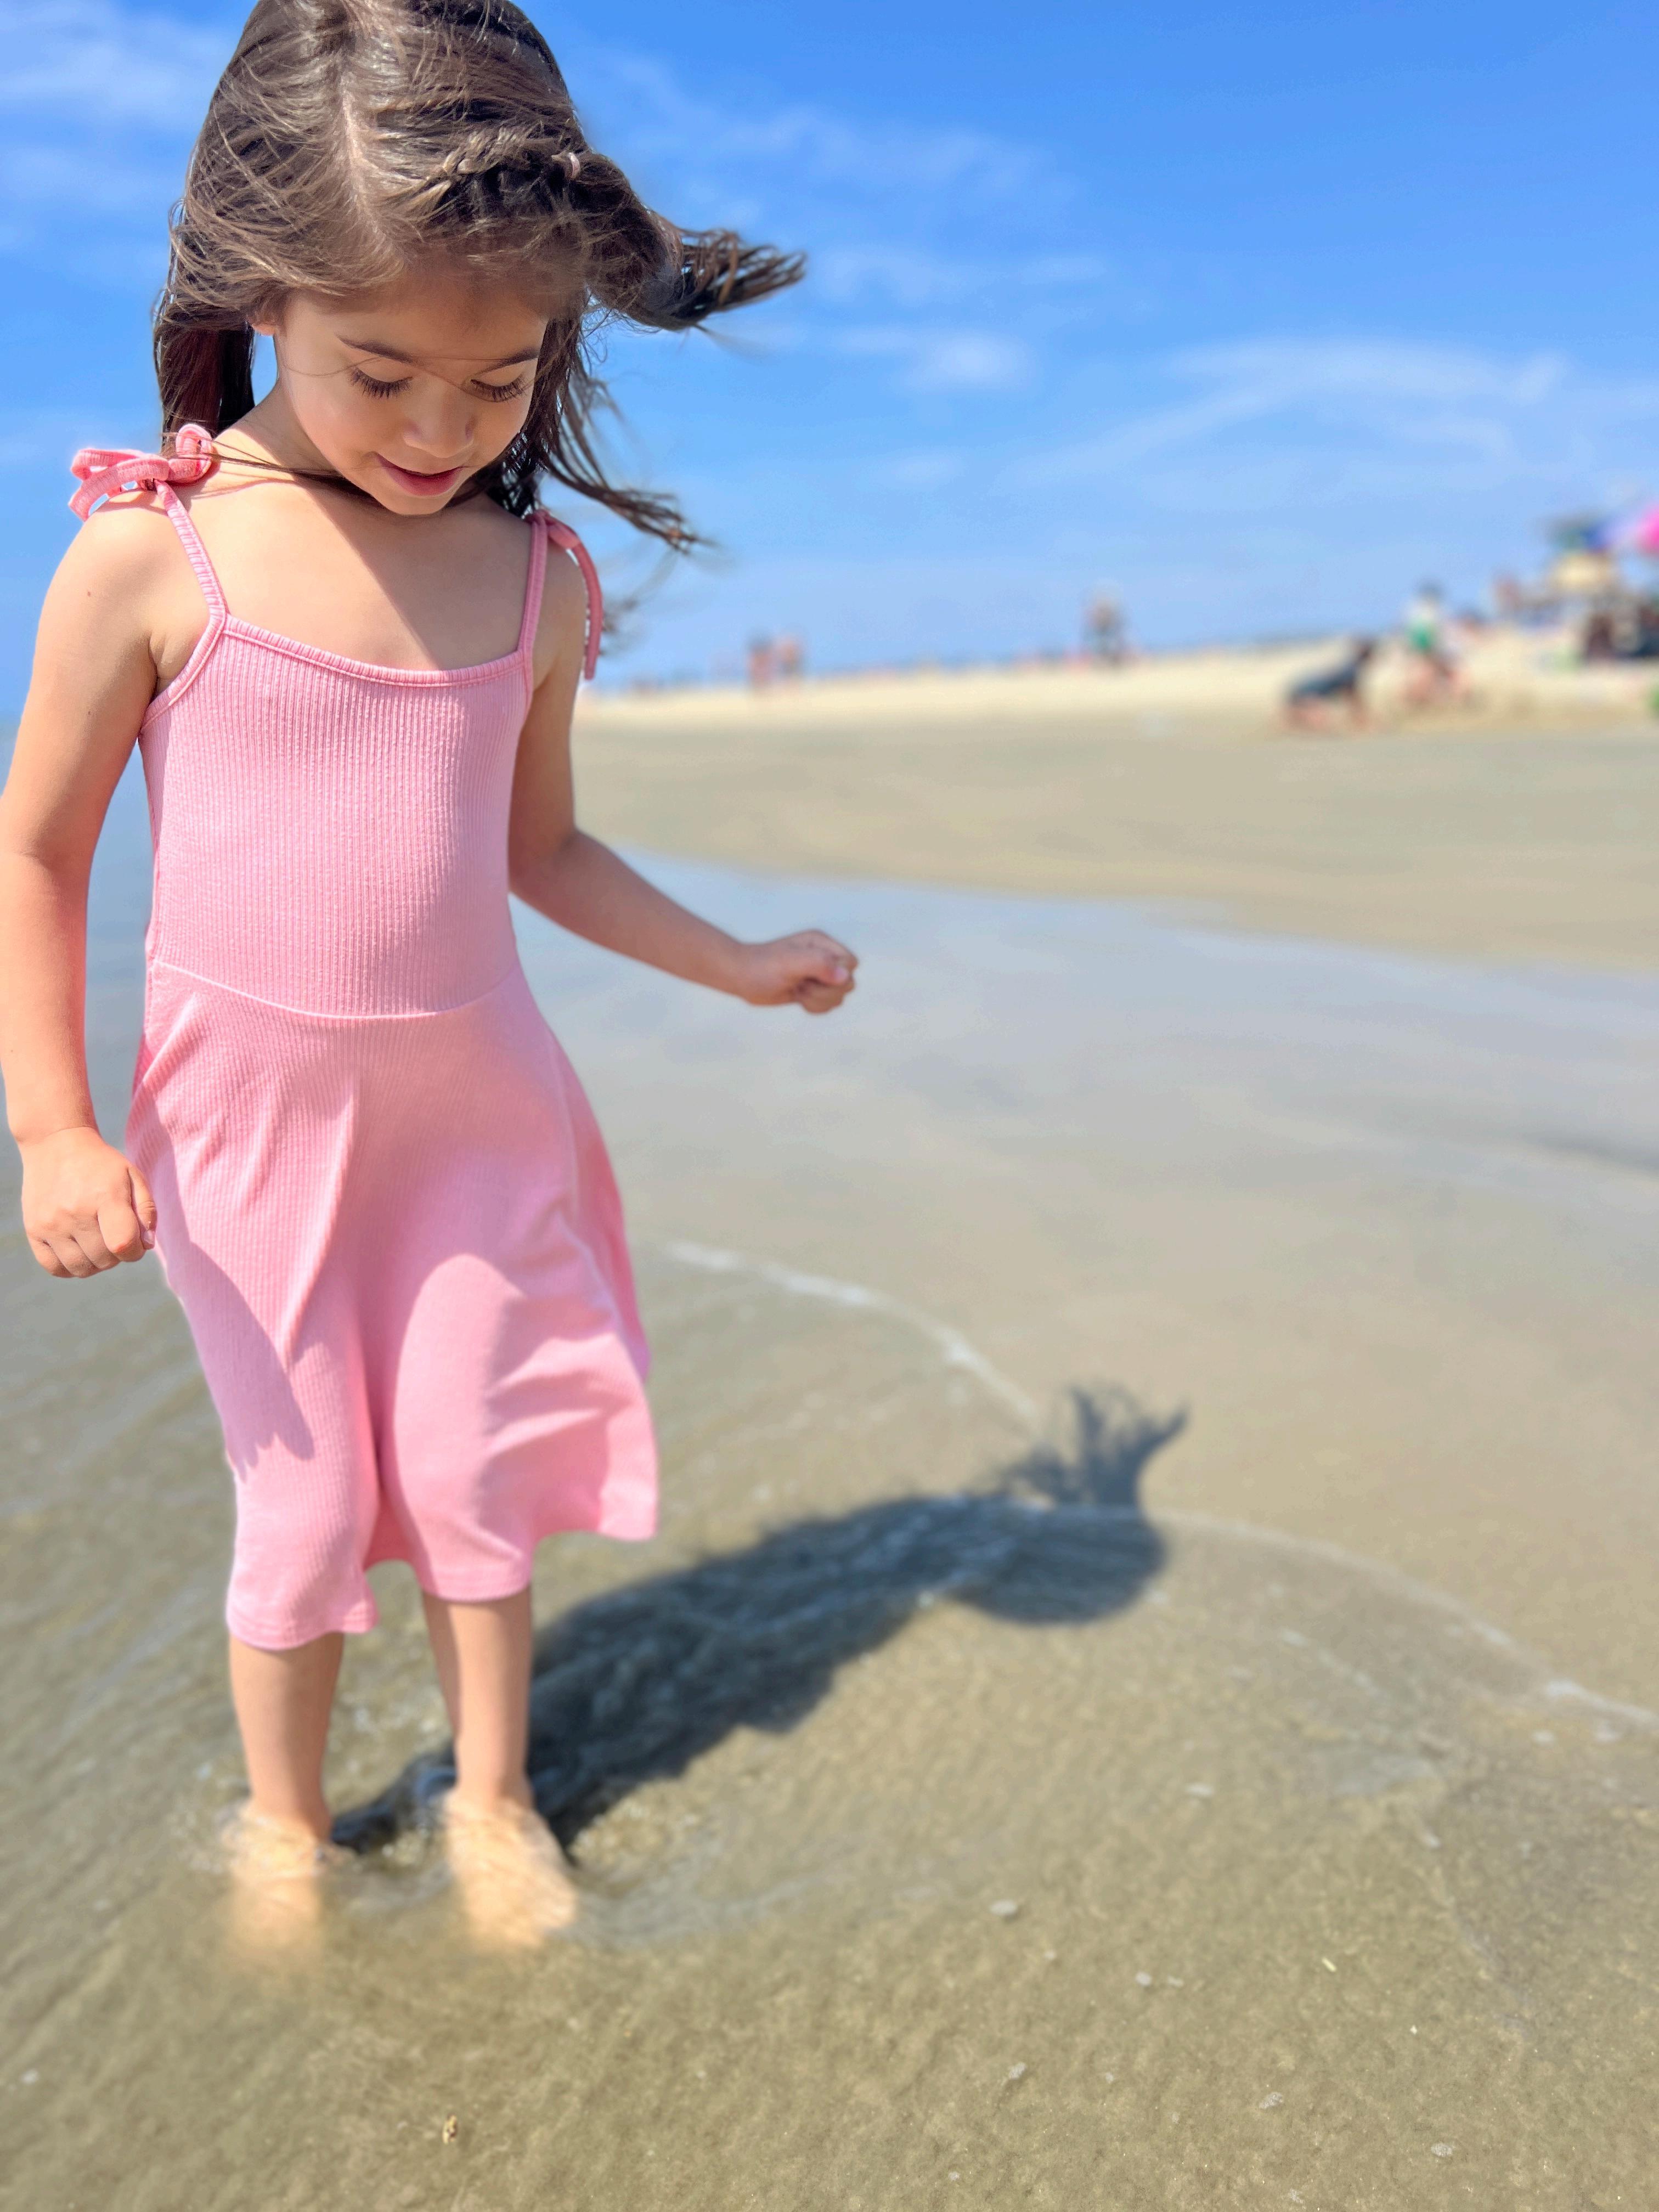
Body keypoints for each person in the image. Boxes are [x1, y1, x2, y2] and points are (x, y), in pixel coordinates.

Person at [0, 0, 857, 1950]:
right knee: (303, 1505)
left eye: (496, 382)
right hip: (250, 1135)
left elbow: (539, 850)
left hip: (477, 1116)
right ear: (261, 293)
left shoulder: (533, 580)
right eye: (382, 371)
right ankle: (285, 1830)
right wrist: (52, 1125)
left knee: (476, 1475)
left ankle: (491, 1799)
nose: (438, 430)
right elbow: (36, 850)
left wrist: (732, 964)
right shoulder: (155, 557)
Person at [1284, 636, 1376, 732]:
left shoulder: (1348, 667)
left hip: (1302, 692)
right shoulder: (1350, 671)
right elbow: (1352, 698)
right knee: (1319, 722)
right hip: (1308, 694)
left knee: (1313, 723)